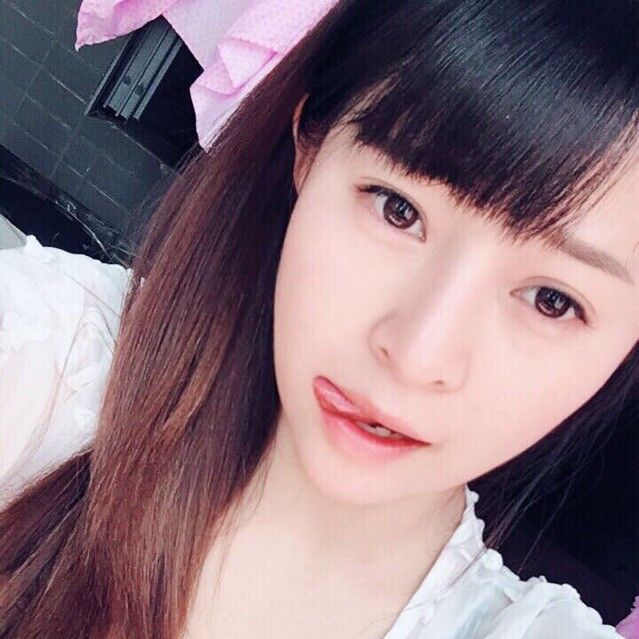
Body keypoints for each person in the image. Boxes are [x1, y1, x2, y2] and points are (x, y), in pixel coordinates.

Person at [0, 0, 637, 637]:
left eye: (552, 300)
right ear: (309, 148)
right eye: (396, 209)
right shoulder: (51, 359)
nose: (416, 355)